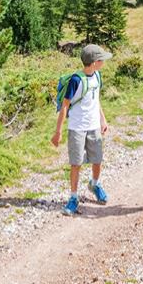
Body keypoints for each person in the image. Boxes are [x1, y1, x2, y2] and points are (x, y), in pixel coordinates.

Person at [51, 44, 112, 215]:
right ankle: (73, 197)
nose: (103, 63)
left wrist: (103, 119)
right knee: (76, 163)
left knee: (97, 159)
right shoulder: (76, 80)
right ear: (93, 63)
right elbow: (64, 106)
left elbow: (96, 100)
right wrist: (58, 131)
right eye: (101, 60)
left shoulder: (98, 76)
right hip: (77, 128)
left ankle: (95, 184)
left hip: (94, 126)